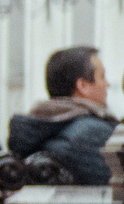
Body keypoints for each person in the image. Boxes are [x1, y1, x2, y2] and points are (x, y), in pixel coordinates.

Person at [7, 46, 117, 185]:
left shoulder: (38, 129)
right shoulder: (93, 134)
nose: (107, 84)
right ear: (82, 85)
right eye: (102, 76)